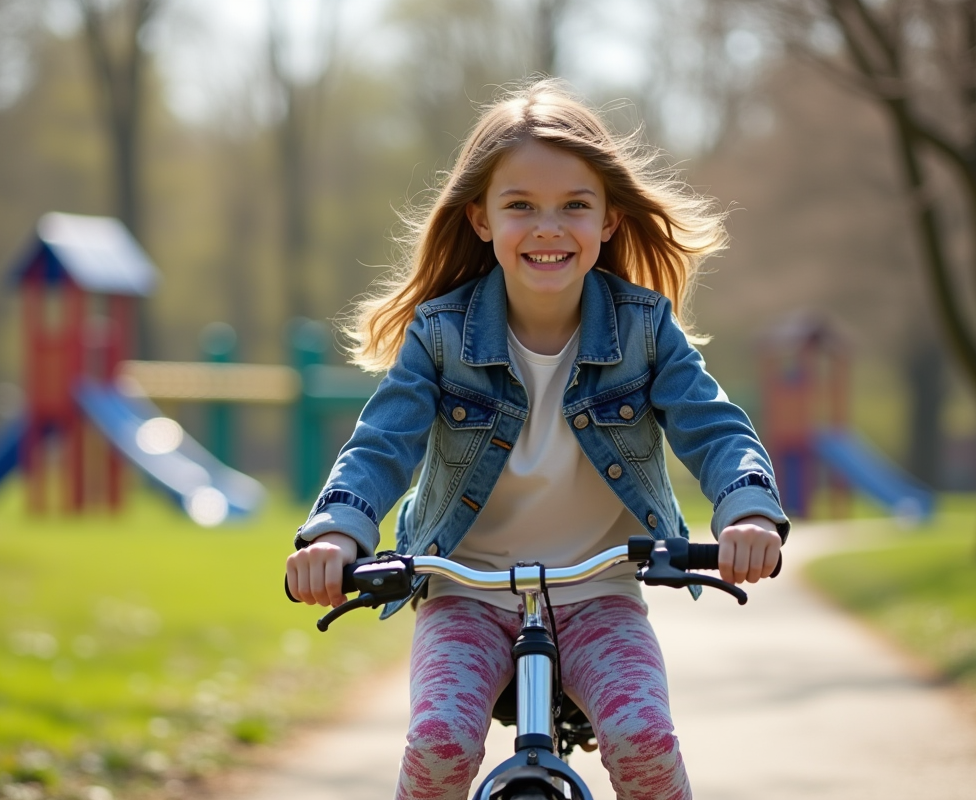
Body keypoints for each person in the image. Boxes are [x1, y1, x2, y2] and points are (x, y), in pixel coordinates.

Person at [285, 79, 789, 800]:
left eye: (573, 207)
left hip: (601, 592)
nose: (548, 227)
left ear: (610, 219)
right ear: (481, 219)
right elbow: (380, 445)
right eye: (520, 206)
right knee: (439, 742)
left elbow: (713, 426)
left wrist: (747, 511)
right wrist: (336, 536)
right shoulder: (439, 336)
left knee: (644, 738)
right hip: (465, 591)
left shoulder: (645, 330)